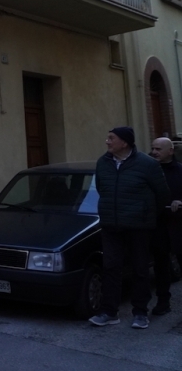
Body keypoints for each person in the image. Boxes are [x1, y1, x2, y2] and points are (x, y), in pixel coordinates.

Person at [89, 127, 171, 329]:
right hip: (111, 225)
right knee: (111, 268)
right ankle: (109, 312)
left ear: (124, 143)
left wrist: (145, 214)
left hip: (138, 226)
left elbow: (162, 195)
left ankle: (140, 313)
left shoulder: (147, 164)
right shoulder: (103, 163)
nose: (107, 141)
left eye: (111, 138)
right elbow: (102, 188)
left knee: (140, 269)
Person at [149, 137, 182, 316]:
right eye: (153, 148)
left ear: (170, 151)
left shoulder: (180, 171)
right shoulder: (149, 170)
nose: (154, 152)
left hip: (178, 225)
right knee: (161, 266)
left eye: (158, 149)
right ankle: (163, 302)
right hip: (158, 226)